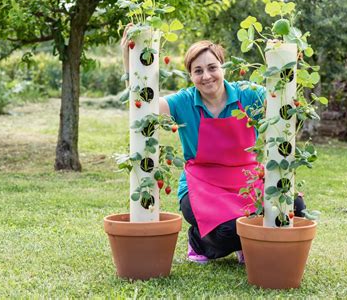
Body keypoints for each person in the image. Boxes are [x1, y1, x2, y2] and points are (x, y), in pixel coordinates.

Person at [121, 28, 305, 264]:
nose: (206, 76)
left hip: (247, 179)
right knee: (227, 230)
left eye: (212, 68)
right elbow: (144, 107)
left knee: (294, 206)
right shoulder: (184, 101)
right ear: (190, 75)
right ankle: (198, 241)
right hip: (202, 186)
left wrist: (284, 53)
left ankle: (247, 242)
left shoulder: (248, 94)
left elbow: (282, 100)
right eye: (198, 71)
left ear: (223, 68)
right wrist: (130, 62)